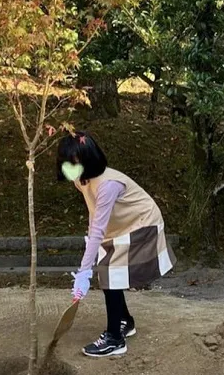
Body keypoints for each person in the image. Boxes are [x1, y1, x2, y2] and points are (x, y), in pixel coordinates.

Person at [57, 130, 175, 357]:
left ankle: (114, 339)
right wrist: (90, 246)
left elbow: (99, 226)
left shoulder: (108, 184)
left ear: (88, 159)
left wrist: (83, 271)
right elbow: (95, 214)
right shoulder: (82, 180)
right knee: (109, 272)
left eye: (73, 162)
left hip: (142, 223)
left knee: (110, 273)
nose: (68, 167)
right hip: (119, 227)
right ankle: (125, 321)